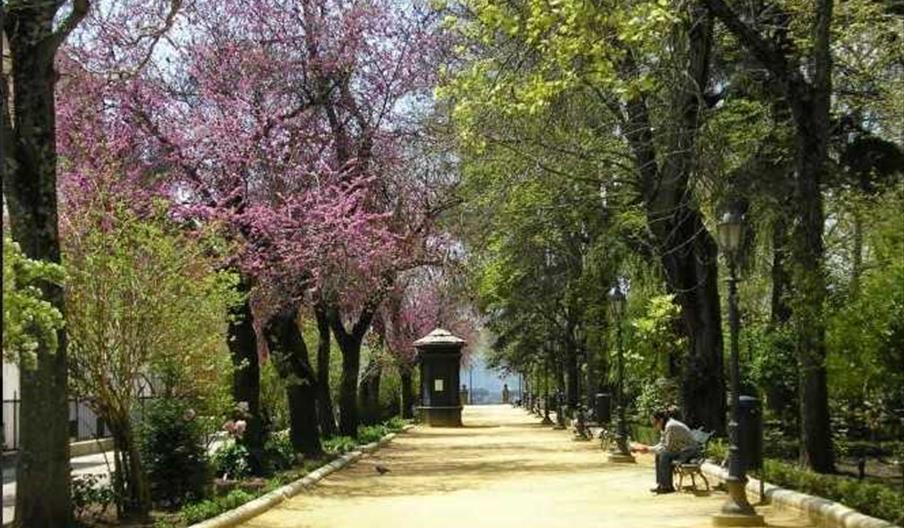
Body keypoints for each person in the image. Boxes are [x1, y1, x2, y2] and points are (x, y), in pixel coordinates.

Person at [630, 409, 699, 494]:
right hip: (681, 450)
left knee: (664, 455)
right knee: (660, 455)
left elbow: (668, 447)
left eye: (655, 423)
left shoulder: (671, 426)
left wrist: (648, 449)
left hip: (688, 452)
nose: (654, 426)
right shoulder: (666, 426)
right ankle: (661, 484)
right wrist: (648, 448)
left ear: (661, 420)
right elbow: (662, 444)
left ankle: (667, 487)